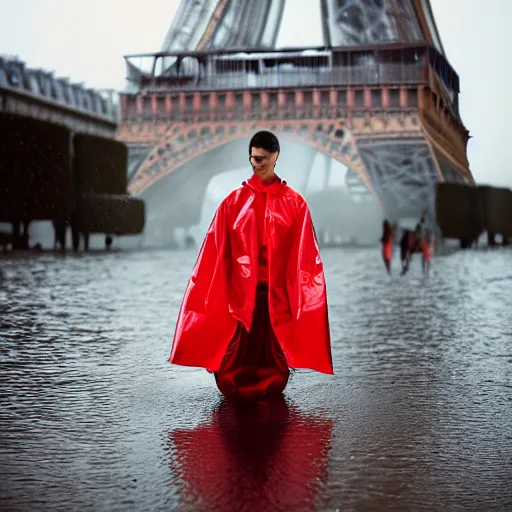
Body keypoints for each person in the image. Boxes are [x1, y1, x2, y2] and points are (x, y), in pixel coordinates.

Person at [169, 131, 333, 399]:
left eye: (263, 158)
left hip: (272, 293)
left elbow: (304, 257)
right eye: (254, 158)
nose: (257, 163)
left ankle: (256, 380)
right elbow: (215, 252)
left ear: (276, 157)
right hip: (241, 295)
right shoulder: (233, 203)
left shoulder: (294, 204)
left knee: (262, 342)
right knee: (245, 342)